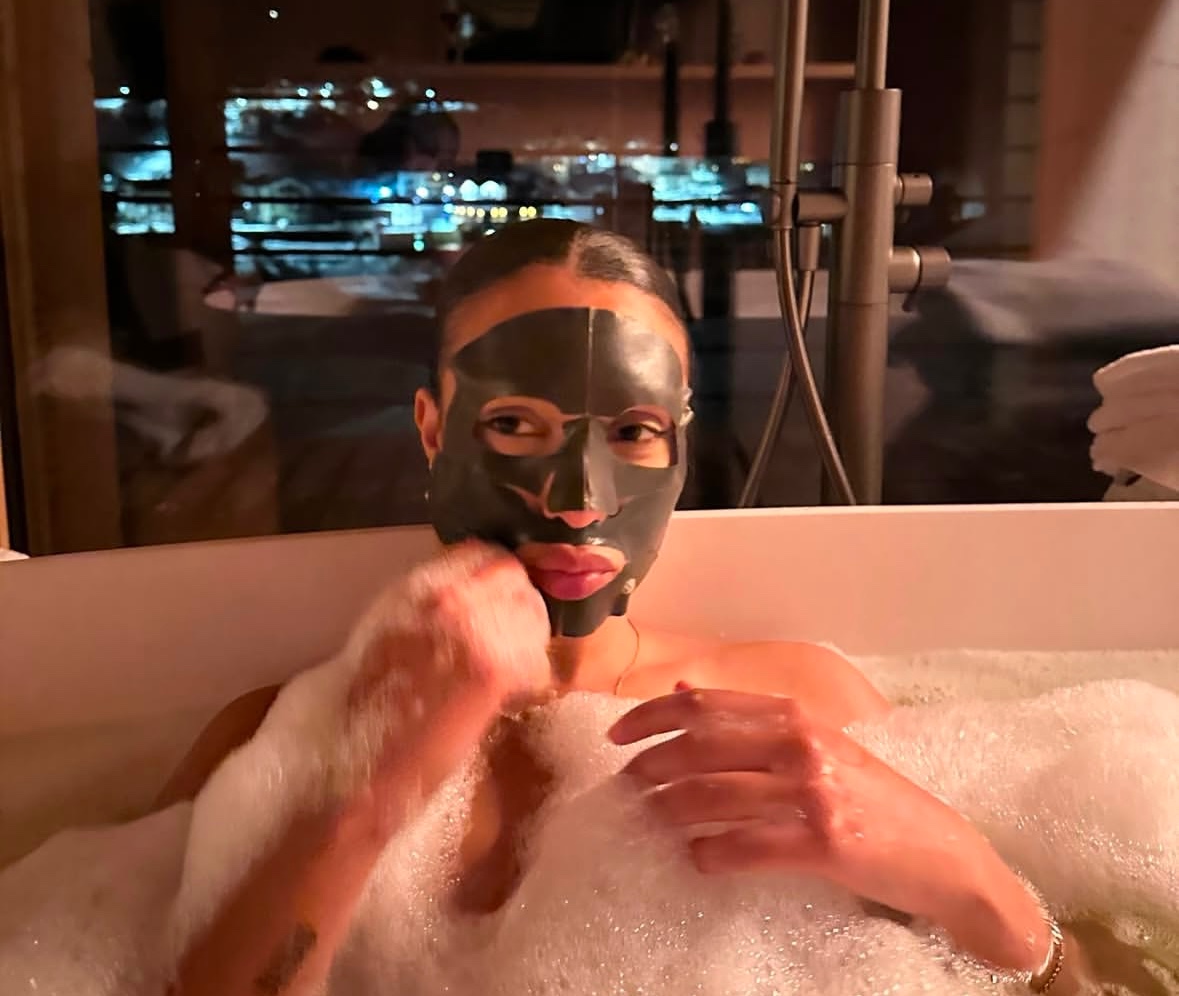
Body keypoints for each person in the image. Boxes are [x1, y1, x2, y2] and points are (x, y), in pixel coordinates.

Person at [160, 219, 1085, 996]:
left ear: (678, 446)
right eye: (514, 424)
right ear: (433, 432)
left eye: (634, 432)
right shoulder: (271, 743)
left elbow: (1077, 981)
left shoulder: (803, 705)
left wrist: (964, 872)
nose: (577, 501)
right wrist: (365, 788)